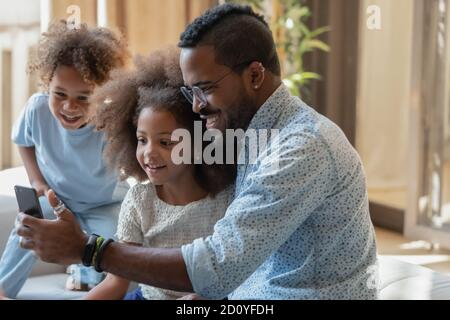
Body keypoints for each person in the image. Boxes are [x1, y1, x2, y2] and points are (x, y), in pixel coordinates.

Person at [16, 4, 378, 300]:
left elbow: (217, 268)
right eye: (191, 92)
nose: (198, 106)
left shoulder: (301, 148)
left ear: (254, 76)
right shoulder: (249, 133)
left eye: (204, 89)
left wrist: (88, 250)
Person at [83, 48, 235, 300]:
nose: (149, 153)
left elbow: (240, 273)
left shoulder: (225, 199)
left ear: (199, 144)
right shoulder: (139, 200)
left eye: (166, 143)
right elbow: (115, 284)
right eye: (142, 140)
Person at [0, 20, 129, 298]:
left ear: (103, 93)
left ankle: (85, 274)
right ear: (48, 84)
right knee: (27, 227)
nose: (70, 106)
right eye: (60, 94)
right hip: (57, 200)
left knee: (116, 250)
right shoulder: (36, 109)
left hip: (104, 205)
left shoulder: (111, 123)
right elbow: (23, 141)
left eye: (84, 98)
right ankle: (2, 288)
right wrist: (36, 180)